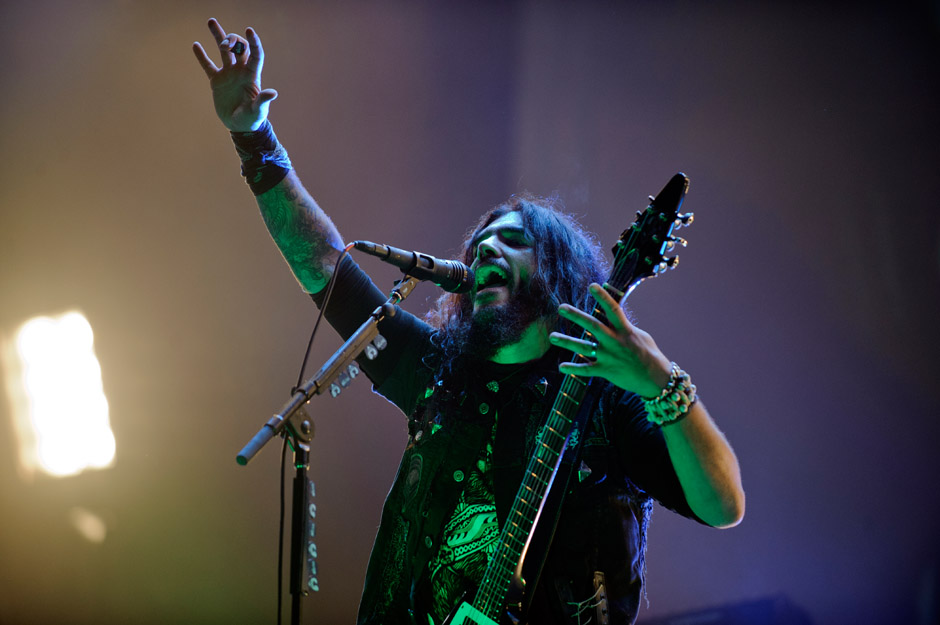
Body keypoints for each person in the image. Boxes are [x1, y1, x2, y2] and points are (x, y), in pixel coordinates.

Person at [194, 18, 745, 625]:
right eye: (478, 245)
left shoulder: (606, 398)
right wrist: (254, 137)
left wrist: (663, 384)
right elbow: (323, 262)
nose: (484, 251)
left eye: (510, 241)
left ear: (556, 269)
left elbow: (723, 505)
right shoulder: (438, 375)